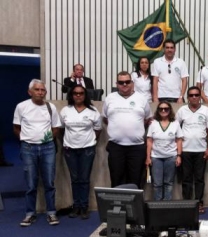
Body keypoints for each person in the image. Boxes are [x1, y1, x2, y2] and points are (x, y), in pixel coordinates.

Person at [13, 79, 61, 226]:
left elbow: (56, 127)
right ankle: (29, 214)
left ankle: (51, 213)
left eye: (43, 90)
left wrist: (47, 138)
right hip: (28, 148)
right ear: (30, 92)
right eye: (37, 90)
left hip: (48, 148)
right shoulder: (21, 107)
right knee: (31, 184)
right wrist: (25, 140)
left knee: (49, 182)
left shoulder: (50, 107)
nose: (40, 92)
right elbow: (16, 127)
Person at [103, 71, 152, 189]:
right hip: (116, 147)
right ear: (117, 84)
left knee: (135, 181)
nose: (124, 84)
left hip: (136, 147)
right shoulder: (110, 98)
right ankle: (118, 207)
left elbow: (147, 119)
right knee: (116, 180)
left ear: (132, 83)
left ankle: (134, 208)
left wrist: (134, 128)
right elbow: (105, 118)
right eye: (121, 82)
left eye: (127, 82)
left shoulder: (141, 98)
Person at [60, 85, 102, 220]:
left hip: (87, 149)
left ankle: (84, 207)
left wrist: (91, 141)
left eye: (81, 93)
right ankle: (76, 206)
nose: (78, 96)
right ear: (71, 95)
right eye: (75, 93)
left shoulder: (93, 111)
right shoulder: (66, 110)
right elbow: (61, 129)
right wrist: (67, 142)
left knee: (84, 179)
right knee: (74, 179)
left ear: (85, 95)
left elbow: (98, 129)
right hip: (69, 149)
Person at [176, 86, 208, 213]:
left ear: (200, 97)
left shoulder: (206, 110)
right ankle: (187, 203)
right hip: (185, 150)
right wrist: (178, 151)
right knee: (186, 179)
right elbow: (176, 129)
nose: (194, 97)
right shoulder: (182, 110)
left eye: (196, 95)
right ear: (187, 98)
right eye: (191, 95)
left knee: (199, 179)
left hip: (201, 150)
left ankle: (199, 203)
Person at [146, 102, 183, 200]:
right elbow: (149, 141)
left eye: (166, 109)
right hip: (156, 157)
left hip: (171, 157)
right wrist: (148, 157)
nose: (163, 111)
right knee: (157, 183)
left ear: (170, 110)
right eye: (161, 109)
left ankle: (167, 205)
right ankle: (157, 205)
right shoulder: (153, 124)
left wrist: (179, 156)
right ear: (158, 111)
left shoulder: (175, 123)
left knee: (169, 183)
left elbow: (179, 140)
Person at [152, 39, 189, 103]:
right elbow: (155, 80)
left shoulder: (181, 62)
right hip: (161, 96)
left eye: (172, 48)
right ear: (164, 49)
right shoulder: (157, 62)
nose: (169, 50)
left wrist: (181, 96)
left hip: (177, 97)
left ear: (175, 49)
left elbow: (184, 80)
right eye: (167, 48)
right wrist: (155, 97)